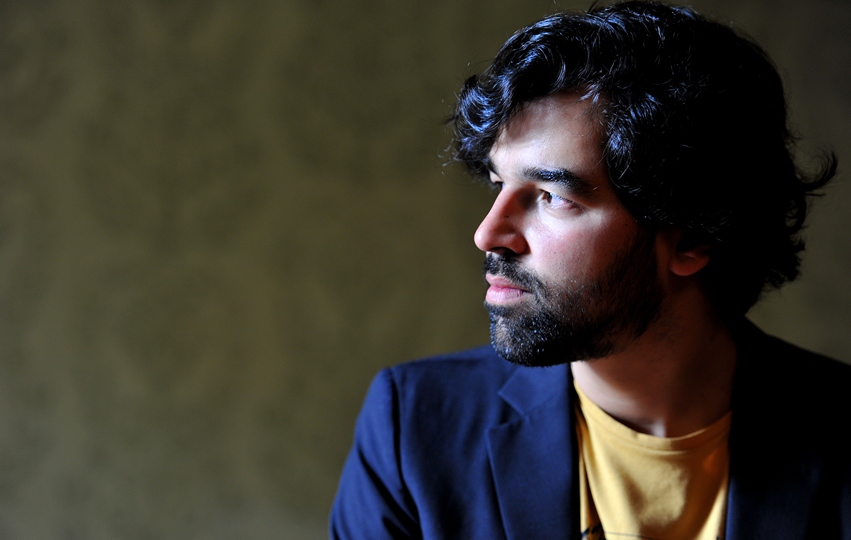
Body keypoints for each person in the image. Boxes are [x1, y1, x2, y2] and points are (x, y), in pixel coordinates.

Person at [330, 1, 851, 538]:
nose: (488, 234)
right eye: (498, 184)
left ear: (692, 237)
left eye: (552, 197)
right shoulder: (413, 429)